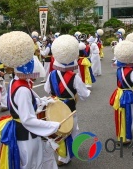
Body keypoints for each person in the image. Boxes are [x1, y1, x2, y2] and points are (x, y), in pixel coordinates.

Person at [0, 31, 61, 169]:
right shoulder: (22, 89)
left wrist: (45, 102)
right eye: (34, 74)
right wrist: (54, 126)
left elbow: (31, 102)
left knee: (39, 161)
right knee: (31, 164)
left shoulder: (15, 82)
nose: (35, 77)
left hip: (24, 132)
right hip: (26, 135)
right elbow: (27, 119)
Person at [44, 34, 91, 166]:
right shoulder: (74, 77)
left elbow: (47, 89)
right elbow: (84, 94)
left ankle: (62, 154)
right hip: (70, 107)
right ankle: (66, 156)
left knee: (59, 130)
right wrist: (85, 93)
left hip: (56, 106)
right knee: (71, 128)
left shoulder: (51, 74)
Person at [110, 41, 133, 144]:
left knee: (126, 113)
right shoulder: (132, 71)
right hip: (129, 94)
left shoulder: (118, 69)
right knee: (130, 113)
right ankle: (128, 137)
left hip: (119, 93)